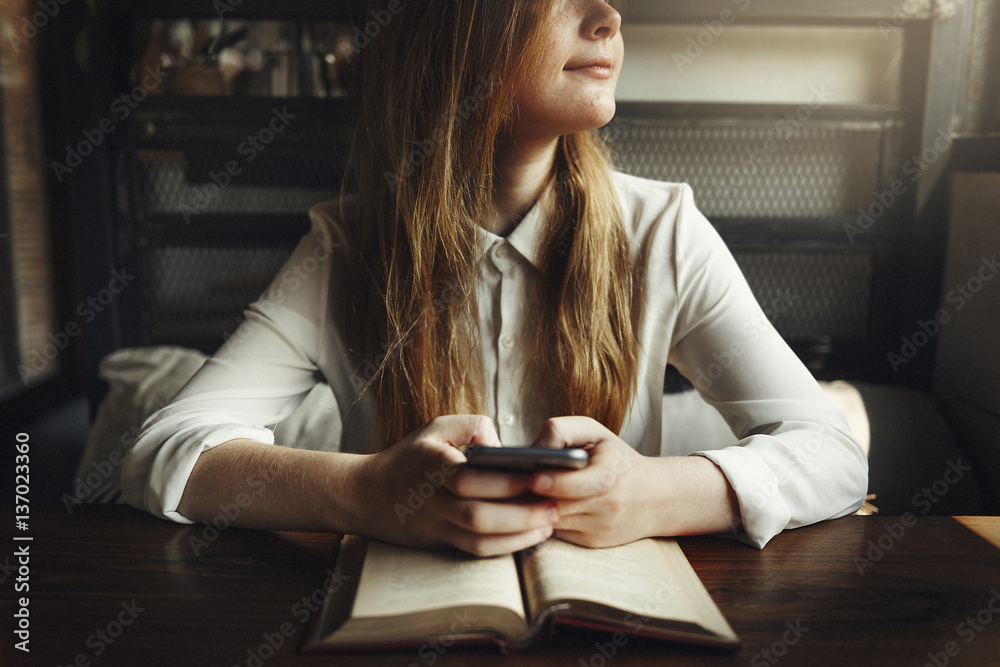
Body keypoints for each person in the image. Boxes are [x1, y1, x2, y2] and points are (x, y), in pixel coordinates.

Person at [122, 0, 868, 555]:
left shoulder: (663, 233)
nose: (609, 16)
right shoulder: (344, 248)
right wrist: (371, 492)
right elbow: (167, 451)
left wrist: (655, 492)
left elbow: (831, 452)